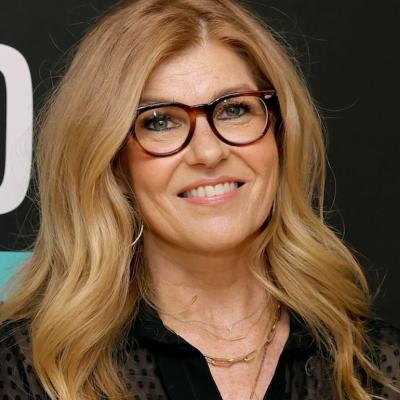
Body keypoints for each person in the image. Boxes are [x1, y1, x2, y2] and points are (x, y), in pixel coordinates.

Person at [0, 0, 399, 399]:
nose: (208, 153)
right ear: (114, 162)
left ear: (279, 135)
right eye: (160, 121)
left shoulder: (376, 368)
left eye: (234, 110)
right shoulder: (31, 371)